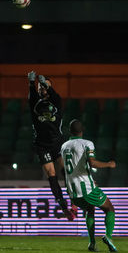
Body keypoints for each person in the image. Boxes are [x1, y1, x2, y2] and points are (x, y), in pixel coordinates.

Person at [61, 119, 117, 252]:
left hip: (72, 190)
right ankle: (108, 237)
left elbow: (71, 167)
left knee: (90, 210)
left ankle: (92, 243)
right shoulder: (87, 143)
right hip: (86, 187)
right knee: (109, 209)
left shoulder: (64, 146)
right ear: (82, 130)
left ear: (70, 131)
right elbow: (92, 163)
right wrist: (109, 164)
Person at [27, 71, 77, 220]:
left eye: (44, 87)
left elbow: (54, 95)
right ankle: (63, 207)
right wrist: (31, 83)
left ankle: (74, 202)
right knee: (52, 175)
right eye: (40, 88)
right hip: (42, 145)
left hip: (57, 143)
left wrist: (45, 84)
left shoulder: (56, 101)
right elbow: (32, 95)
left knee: (66, 173)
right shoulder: (34, 103)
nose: (42, 89)